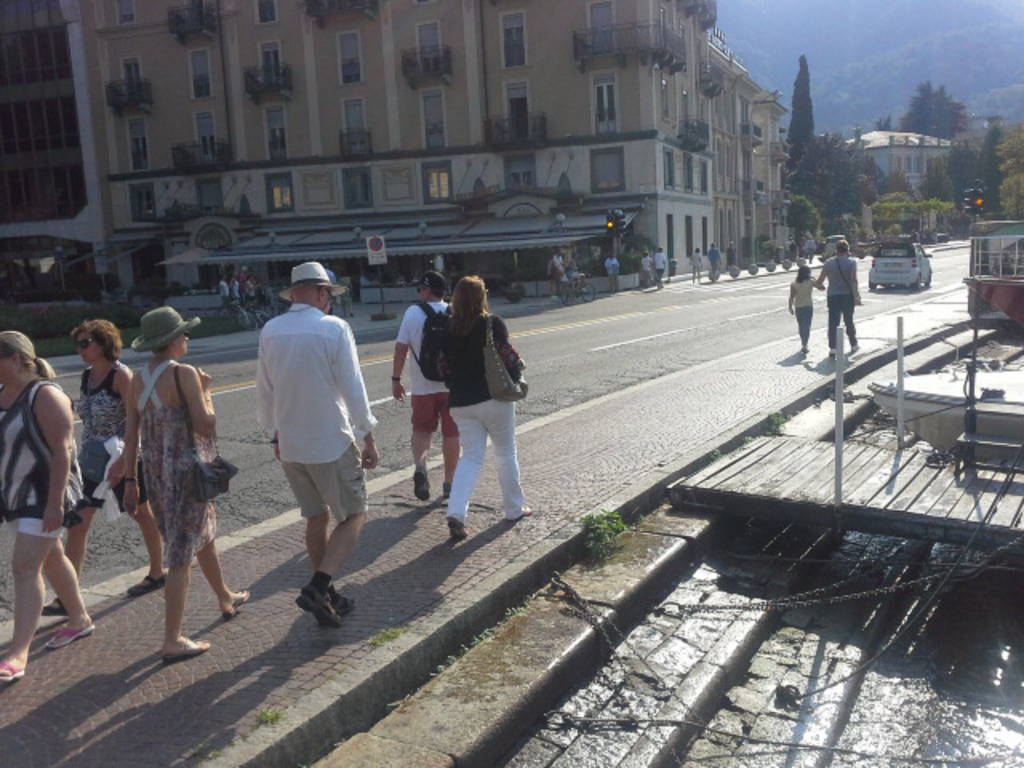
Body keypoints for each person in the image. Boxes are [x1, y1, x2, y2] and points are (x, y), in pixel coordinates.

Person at [256, 262, 378, 628]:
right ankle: (319, 586)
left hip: (290, 443)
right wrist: (367, 435)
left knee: (315, 517)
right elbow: (352, 387)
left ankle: (327, 597)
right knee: (354, 515)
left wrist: (273, 433)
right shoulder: (334, 329)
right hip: (330, 440)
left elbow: (265, 390)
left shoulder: (271, 330)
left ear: (294, 294)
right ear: (322, 294)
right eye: (329, 295)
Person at [123, 308, 248, 663]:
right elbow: (206, 426)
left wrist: (132, 480)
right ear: (172, 340)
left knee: (201, 534)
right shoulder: (185, 374)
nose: (187, 339)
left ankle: (225, 595)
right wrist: (206, 391)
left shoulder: (137, 379)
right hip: (189, 476)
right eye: (184, 334)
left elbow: (131, 434)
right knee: (180, 554)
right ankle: (172, 638)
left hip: (158, 475)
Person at [52, 320, 164, 616]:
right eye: (78, 344)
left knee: (141, 513)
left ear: (103, 343)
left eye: (86, 343)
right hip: (92, 461)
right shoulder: (87, 376)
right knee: (78, 524)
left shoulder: (121, 376)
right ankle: (68, 594)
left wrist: (124, 461)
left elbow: (136, 421)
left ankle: (158, 570)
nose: (81, 350)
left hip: (121, 459)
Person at [0, 331, 93, 684]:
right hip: (15, 494)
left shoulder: (45, 394)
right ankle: (80, 618)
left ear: (14, 360)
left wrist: (55, 504)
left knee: (25, 568)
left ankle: (17, 653)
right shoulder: (3, 393)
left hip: (44, 495)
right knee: (52, 558)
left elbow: (63, 452)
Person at [443, 276, 530, 541]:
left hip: (461, 402)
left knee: (470, 457)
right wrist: (519, 373)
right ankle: (514, 508)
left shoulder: (448, 328)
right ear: (483, 297)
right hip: (494, 398)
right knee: (505, 453)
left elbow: (442, 367)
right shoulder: (492, 323)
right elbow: (508, 357)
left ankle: (456, 512)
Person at [392, 271, 460, 502]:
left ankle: (421, 466)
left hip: (422, 387)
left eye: (420, 289)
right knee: (452, 434)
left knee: (422, 431)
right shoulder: (453, 311)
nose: (419, 293)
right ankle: (449, 483)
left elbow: (401, 347)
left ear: (428, 290)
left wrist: (396, 380)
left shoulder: (413, 312)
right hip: (452, 386)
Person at [813, 240, 860, 359]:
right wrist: (856, 296)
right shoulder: (852, 263)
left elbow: (820, 281)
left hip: (833, 296)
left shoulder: (828, 263)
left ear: (836, 250)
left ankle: (833, 348)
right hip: (847, 296)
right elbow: (853, 281)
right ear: (847, 250)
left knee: (833, 322)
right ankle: (853, 344)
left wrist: (818, 285)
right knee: (849, 320)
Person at [788, 265, 821, 355]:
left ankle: (803, 343)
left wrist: (790, 307)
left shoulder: (794, 283)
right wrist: (815, 280)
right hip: (808, 306)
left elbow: (791, 297)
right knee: (806, 326)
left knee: (801, 326)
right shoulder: (810, 282)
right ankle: (805, 344)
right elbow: (822, 288)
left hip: (798, 307)